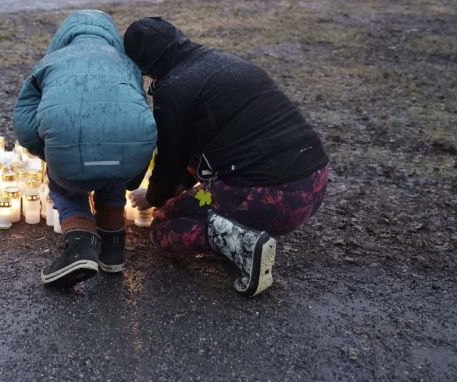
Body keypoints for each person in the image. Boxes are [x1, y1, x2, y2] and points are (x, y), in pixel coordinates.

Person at [123, 17, 328, 297]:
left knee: (163, 226)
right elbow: (189, 159)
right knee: (197, 196)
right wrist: (173, 191)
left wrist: (156, 197)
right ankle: (237, 232)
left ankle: (243, 245)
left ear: (144, 65)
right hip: (314, 181)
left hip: (270, 196)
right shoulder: (222, 62)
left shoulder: (174, 87)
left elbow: (171, 158)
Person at [14, 10, 157, 288]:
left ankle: (81, 245)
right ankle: (113, 249)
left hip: (70, 160)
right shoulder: (128, 64)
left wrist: (50, 155)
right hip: (126, 160)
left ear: (63, 37)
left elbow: (24, 123)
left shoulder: (50, 62)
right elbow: (137, 115)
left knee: (65, 186)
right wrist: (134, 172)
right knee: (112, 169)